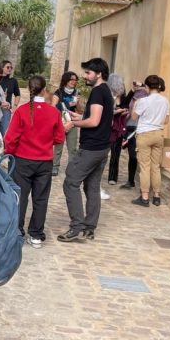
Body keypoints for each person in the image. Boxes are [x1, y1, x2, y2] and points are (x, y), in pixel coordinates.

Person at [57, 57, 114, 243]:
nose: (85, 76)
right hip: (102, 147)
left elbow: (94, 121)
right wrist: (81, 115)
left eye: (88, 72)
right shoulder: (105, 91)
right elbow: (97, 117)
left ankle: (76, 227)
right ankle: (89, 227)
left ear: (99, 74)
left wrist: (73, 122)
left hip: (91, 148)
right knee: (92, 187)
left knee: (71, 182)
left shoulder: (98, 92)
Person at [4, 75, 65, 248]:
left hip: (22, 159)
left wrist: (9, 153)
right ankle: (36, 234)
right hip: (44, 160)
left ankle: (17, 231)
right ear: (45, 90)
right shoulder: (54, 112)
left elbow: (11, 138)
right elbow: (59, 138)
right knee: (41, 198)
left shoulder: (22, 111)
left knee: (20, 197)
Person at [128, 75, 170, 207]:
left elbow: (134, 117)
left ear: (147, 86)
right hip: (158, 134)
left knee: (145, 167)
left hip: (144, 134)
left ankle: (145, 197)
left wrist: (135, 104)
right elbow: (166, 120)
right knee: (155, 167)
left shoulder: (143, 101)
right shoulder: (165, 101)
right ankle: (156, 196)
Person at [118, 81, 147, 190]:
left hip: (138, 128)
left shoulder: (144, 97)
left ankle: (136, 182)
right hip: (130, 127)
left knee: (135, 156)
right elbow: (124, 104)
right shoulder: (135, 95)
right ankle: (130, 180)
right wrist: (132, 90)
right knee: (132, 155)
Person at [51, 71, 80, 176]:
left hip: (72, 123)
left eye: (75, 80)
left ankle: (72, 168)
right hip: (61, 123)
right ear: (66, 79)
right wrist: (68, 104)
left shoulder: (76, 93)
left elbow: (80, 111)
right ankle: (55, 167)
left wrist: (78, 103)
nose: (74, 81)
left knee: (72, 148)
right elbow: (53, 107)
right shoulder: (59, 92)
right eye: (72, 79)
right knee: (58, 146)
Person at [107, 73, 129, 186]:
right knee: (102, 153)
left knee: (116, 153)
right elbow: (107, 112)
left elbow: (129, 111)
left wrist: (124, 112)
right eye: (120, 83)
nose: (122, 86)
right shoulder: (108, 96)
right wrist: (117, 111)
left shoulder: (125, 97)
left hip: (119, 128)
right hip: (108, 128)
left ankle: (113, 177)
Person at [0, 60, 21, 135]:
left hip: (6, 110)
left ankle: (2, 146)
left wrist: (14, 106)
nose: (10, 69)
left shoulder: (13, 81)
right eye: (8, 67)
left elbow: (17, 94)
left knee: (3, 132)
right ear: (2, 68)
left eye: (11, 67)